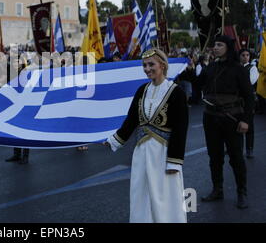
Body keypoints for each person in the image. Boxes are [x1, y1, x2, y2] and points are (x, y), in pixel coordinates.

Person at [106, 48, 189, 223]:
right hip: (141, 153)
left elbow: (181, 129)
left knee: (165, 195)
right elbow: (131, 121)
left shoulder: (176, 92)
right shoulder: (141, 90)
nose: (147, 68)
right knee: (140, 193)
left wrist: (174, 162)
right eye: (144, 65)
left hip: (163, 154)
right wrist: (113, 141)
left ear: (163, 65)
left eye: (151, 64)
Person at [196, 36, 254, 209]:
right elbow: (197, 84)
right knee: (215, 156)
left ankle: (241, 192)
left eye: (219, 45)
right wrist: (191, 70)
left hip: (232, 118)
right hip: (210, 118)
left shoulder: (238, 69)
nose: (215, 47)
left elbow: (249, 97)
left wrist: (245, 121)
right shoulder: (211, 67)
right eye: (215, 44)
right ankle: (217, 189)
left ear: (228, 47)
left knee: (236, 157)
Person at [239, 49, 259, 159]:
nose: (245, 57)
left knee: (249, 126)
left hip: (248, 101)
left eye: (247, 55)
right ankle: (237, 148)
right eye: (243, 55)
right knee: (235, 125)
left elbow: (250, 81)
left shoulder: (252, 68)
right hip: (237, 101)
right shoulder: (236, 67)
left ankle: (249, 149)